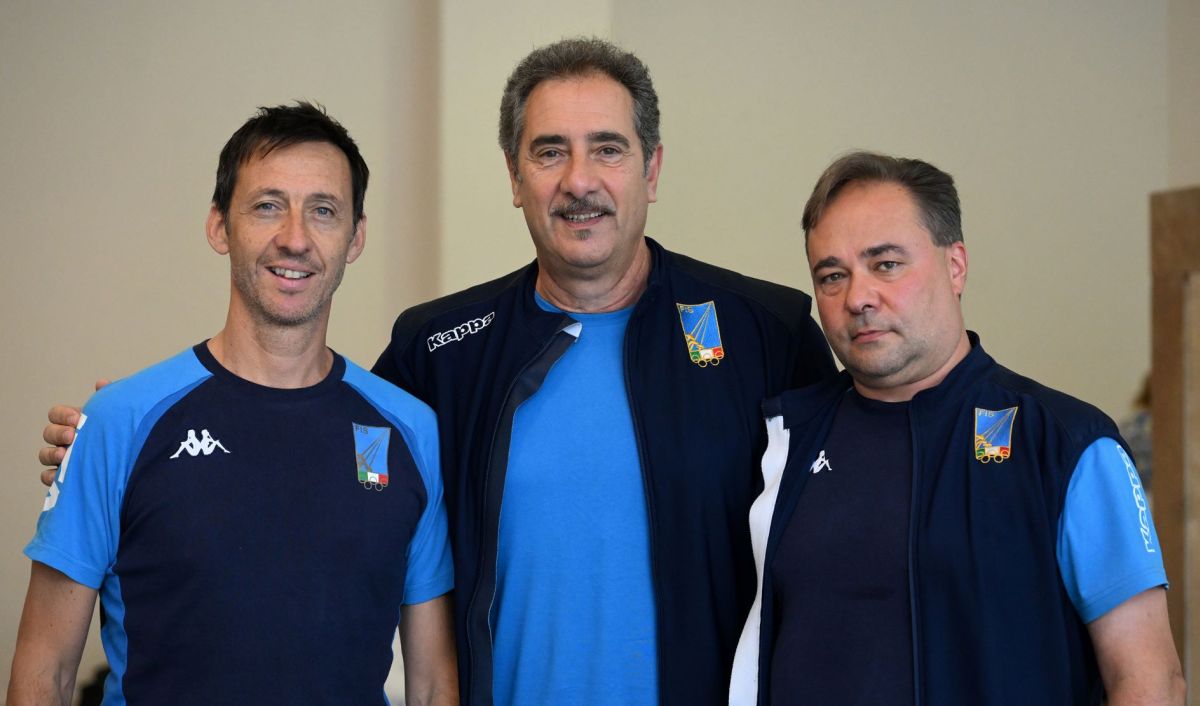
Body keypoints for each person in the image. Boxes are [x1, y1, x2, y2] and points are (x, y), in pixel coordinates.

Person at [38, 40, 835, 705]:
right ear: (514, 176)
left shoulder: (767, 334)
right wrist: (119, 441)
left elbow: (850, 507)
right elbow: (312, 429)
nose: (579, 180)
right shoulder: (441, 350)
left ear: (651, 170)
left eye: (608, 148)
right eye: (549, 152)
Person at [12, 103, 457, 706]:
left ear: (355, 237)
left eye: (323, 210)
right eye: (267, 206)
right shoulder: (119, 422)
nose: (295, 238)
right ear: (220, 226)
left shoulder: (408, 431)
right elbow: (44, 673)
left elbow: (432, 687)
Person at [728, 151, 1186, 705]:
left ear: (956, 266)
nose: (858, 297)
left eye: (886, 264)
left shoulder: (1064, 442)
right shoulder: (786, 440)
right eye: (832, 276)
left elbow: (1149, 680)